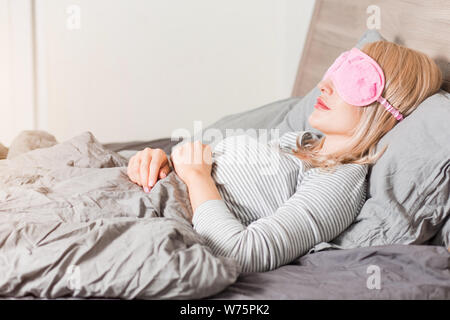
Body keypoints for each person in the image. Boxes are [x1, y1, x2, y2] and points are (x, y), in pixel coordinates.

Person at [127, 41, 442, 272]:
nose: (324, 85)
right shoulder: (298, 143)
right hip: (136, 191)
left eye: (353, 80)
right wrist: (160, 161)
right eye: (335, 71)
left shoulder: (341, 177)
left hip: (147, 224)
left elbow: (242, 254)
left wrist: (196, 177)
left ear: (387, 105)